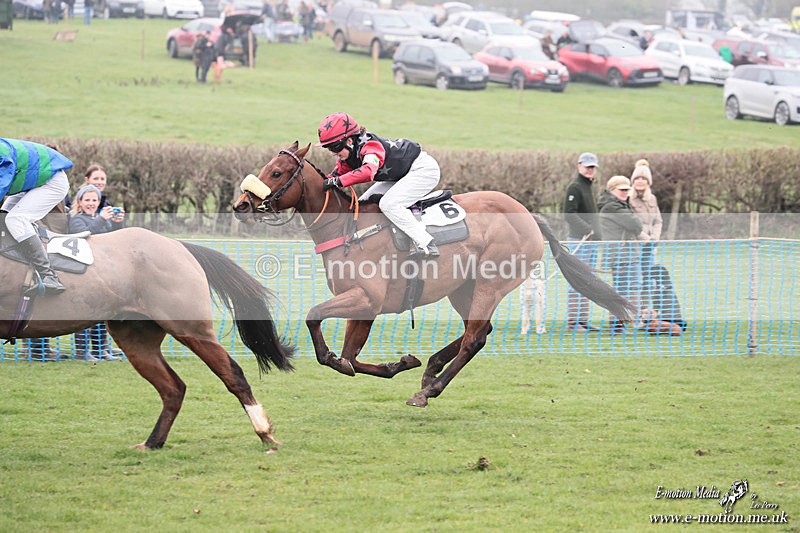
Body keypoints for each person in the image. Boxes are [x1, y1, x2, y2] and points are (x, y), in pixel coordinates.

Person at [316, 112, 441, 258]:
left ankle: (427, 244)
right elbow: (331, 179)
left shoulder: (370, 146)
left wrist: (338, 182)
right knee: (360, 205)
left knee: (389, 204)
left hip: (422, 170)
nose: (333, 153)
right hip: (399, 174)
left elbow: (368, 171)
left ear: (349, 141)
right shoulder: (348, 155)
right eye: (329, 148)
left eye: (334, 148)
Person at [1, 138, 72, 295]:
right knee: (3, 217)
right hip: (35, 182)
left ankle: (49, 276)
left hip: (51, 182)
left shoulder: (1, 154)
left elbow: (1, 186)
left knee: (15, 220)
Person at [68, 183, 125, 361]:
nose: (91, 203)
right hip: (83, 272)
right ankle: (82, 352)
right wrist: (101, 219)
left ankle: (100, 350)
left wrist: (116, 224)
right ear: (80, 201)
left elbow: (113, 240)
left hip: (102, 271)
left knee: (102, 313)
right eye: (87, 199)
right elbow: (84, 233)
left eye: (95, 200)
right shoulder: (76, 219)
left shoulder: (103, 219)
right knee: (85, 313)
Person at [563, 152, 603, 332]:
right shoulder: (575, 187)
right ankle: (574, 322)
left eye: (592, 167)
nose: (589, 170)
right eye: (587, 166)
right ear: (579, 166)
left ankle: (583, 321)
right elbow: (569, 215)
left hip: (591, 242)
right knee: (577, 280)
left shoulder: (588, 186)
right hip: (579, 240)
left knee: (588, 280)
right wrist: (588, 229)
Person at [598, 176, 643, 335]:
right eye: (621, 190)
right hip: (621, 256)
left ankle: (625, 323)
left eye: (627, 190)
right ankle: (617, 326)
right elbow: (636, 224)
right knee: (622, 291)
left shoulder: (619, 205)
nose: (625, 193)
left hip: (627, 254)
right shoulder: (612, 207)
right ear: (612, 191)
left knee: (630, 289)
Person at [628, 159, 662, 323]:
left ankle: (645, 314)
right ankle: (633, 316)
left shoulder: (652, 199)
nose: (640, 181)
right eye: (637, 179)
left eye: (643, 179)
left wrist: (655, 237)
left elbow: (658, 221)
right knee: (636, 282)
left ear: (648, 182)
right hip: (635, 246)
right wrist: (645, 238)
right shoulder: (628, 199)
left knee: (650, 282)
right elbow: (630, 224)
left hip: (650, 247)